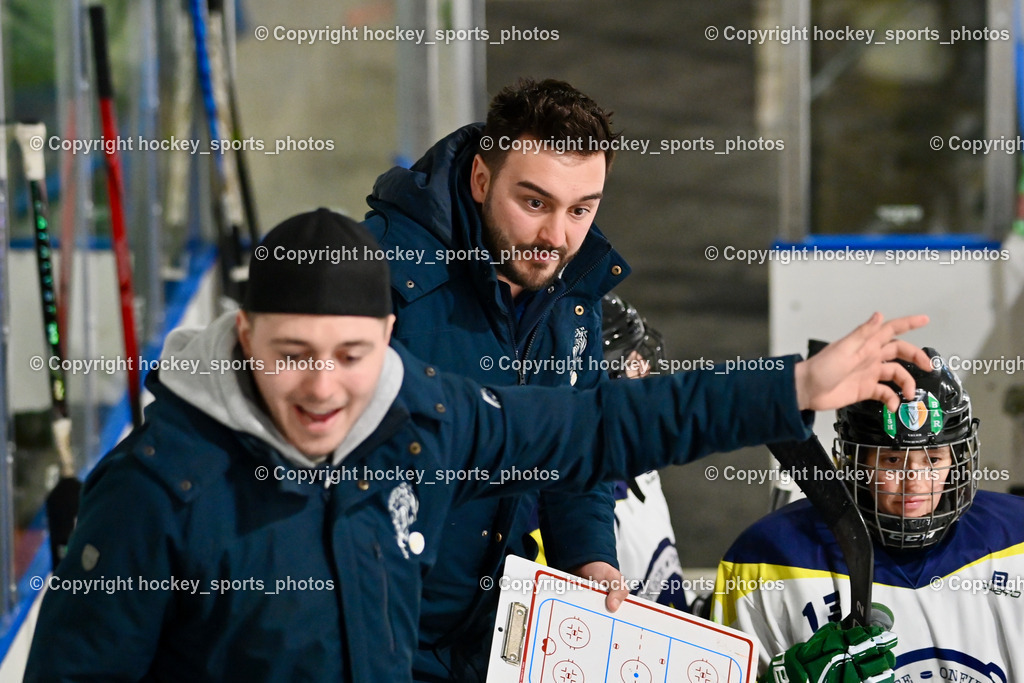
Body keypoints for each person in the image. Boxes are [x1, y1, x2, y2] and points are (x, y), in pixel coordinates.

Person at [25, 209, 930, 682]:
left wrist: (791, 389)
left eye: (351, 355)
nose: (323, 387)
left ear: (389, 335)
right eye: (292, 353)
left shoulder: (425, 419)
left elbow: (598, 424)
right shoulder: (155, 490)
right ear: (244, 332)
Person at [362, 77, 632, 681]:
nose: (556, 238)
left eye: (581, 210)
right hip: (378, 638)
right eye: (534, 203)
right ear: (482, 179)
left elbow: (577, 448)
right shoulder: (374, 274)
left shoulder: (572, 290)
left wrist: (589, 556)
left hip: (495, 635)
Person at [711, 349, 1024, 682]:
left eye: (933, 460)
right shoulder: (766, 558)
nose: (915, 482)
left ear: (958, 459)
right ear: (854, 462)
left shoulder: (1016, 539)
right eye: (892, 460)